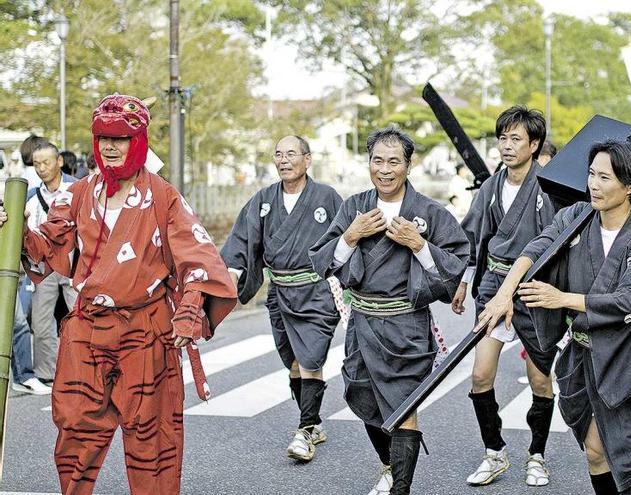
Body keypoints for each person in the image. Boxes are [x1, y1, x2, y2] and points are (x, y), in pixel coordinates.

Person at [0, 94, 238, 494]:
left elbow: (197, 258)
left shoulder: (163, 196)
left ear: (139, 140)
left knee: (153, 439)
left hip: (146, 329)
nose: (110, 146)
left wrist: (189, 309)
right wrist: (15, 233)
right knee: (74, 430)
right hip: (88, 327)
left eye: (121, 138)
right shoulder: (76, 194)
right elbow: (47, 248)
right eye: (103, 137)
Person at [478, 139, 631, 494]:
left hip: (628, 357)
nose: (594, 185)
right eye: (591, 174)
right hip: (583, 355)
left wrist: (560, 298)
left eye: (605, 177)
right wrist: (505, 293)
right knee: (596, 451)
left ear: (629, 185)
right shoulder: (575, 216)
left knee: (629, 459)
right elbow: (537, 247)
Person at [310, 127, 469, 495]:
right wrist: (350, 236)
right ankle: (388, 464)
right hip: (363, 322)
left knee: (404, 405)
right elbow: (324, 262)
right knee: (363, 397)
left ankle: (401, 487)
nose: (385, 169)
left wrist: (419, 244)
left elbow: (455, 266)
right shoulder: (354, 208)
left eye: (394, 161)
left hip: (406, 327)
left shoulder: (430, 212)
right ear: (369, 163)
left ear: (408, 166)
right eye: (377, 160)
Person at [222, 135, 342, 461]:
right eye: (279, 154)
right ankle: (314, 421)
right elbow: (241, 241)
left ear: (307, 159)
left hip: (316, 292)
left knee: (310, 360)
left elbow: (348, 240)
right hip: (280, 293)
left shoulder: (327, 197)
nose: (284, 160)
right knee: (293, 364)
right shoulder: (263, 200)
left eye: (291, 154)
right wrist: (230, 274)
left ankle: (304, 432)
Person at [454, 106, 557, 487]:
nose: (507, 146)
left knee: (540, 381)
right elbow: (472, 237)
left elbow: (558, 246)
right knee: (480, 375)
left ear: (534, 145)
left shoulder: (549, 187)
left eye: (516, 139)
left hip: (533, 289)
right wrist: (465, 281)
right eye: (503, 138)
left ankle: (537, 455)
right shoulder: (491, 188)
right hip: (493, 286)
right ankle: (494, 451)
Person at [24, 141, 77, 384]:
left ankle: (84, 368)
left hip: (74, 262)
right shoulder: (32, 196)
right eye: (37, 164)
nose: (42, 168)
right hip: (44, 265)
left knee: (81, 316)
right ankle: (47, 373)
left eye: (46, 162)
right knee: (41, 321)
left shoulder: (77, 189)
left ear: (59, 162)